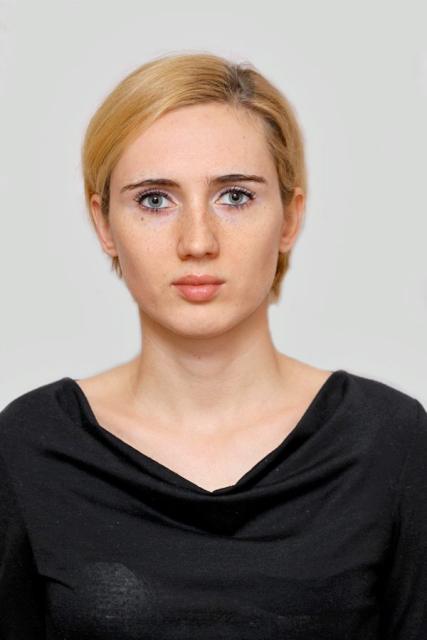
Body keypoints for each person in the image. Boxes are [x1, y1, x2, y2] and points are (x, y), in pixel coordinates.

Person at [0, 51, 426, 639]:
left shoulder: (391, 442)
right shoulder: (29, 446)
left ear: (290, 218)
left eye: (236, 196)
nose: (197, 241)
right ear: (103, 224)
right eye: (155, 199)